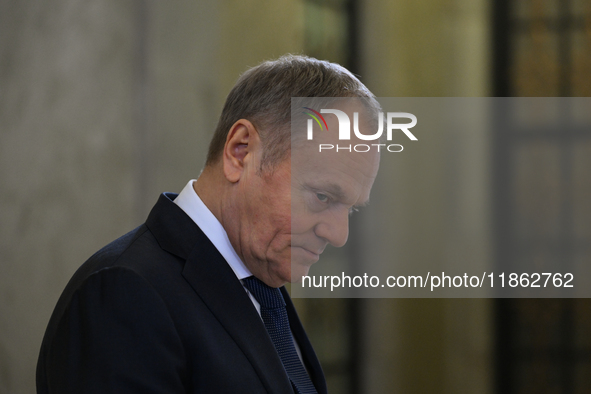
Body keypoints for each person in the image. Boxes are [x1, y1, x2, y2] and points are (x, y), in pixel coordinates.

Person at [36, 54, 380, 394]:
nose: (338, 235)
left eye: (350, 210)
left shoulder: (261, 282)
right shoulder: (122, 294)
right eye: (322, 197)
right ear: (240, 151)